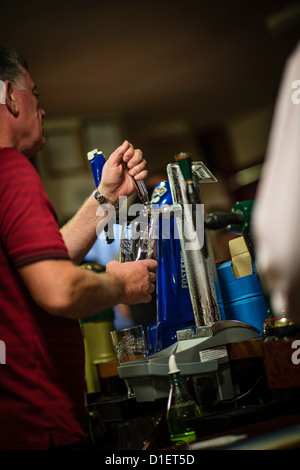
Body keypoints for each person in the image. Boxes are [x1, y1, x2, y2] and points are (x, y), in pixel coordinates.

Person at [0, 46, 157, 450]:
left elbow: (40, 264)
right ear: (9, 96)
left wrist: (105, 196)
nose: (42, 109)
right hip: (37, 426)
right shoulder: (10, 169)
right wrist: (119, 285)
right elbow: (59, 289)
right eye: (36, 94)